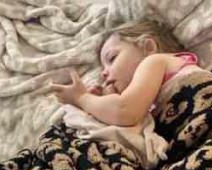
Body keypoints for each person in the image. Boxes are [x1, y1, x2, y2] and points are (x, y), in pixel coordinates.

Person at [50, 19, 201, 127]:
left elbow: (123, 111)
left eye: (112, 58)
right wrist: (106, 100)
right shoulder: (148, 105)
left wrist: (82, 98)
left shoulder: (155, 61)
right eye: (103, 68)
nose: (103, 74)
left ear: (148, 47)